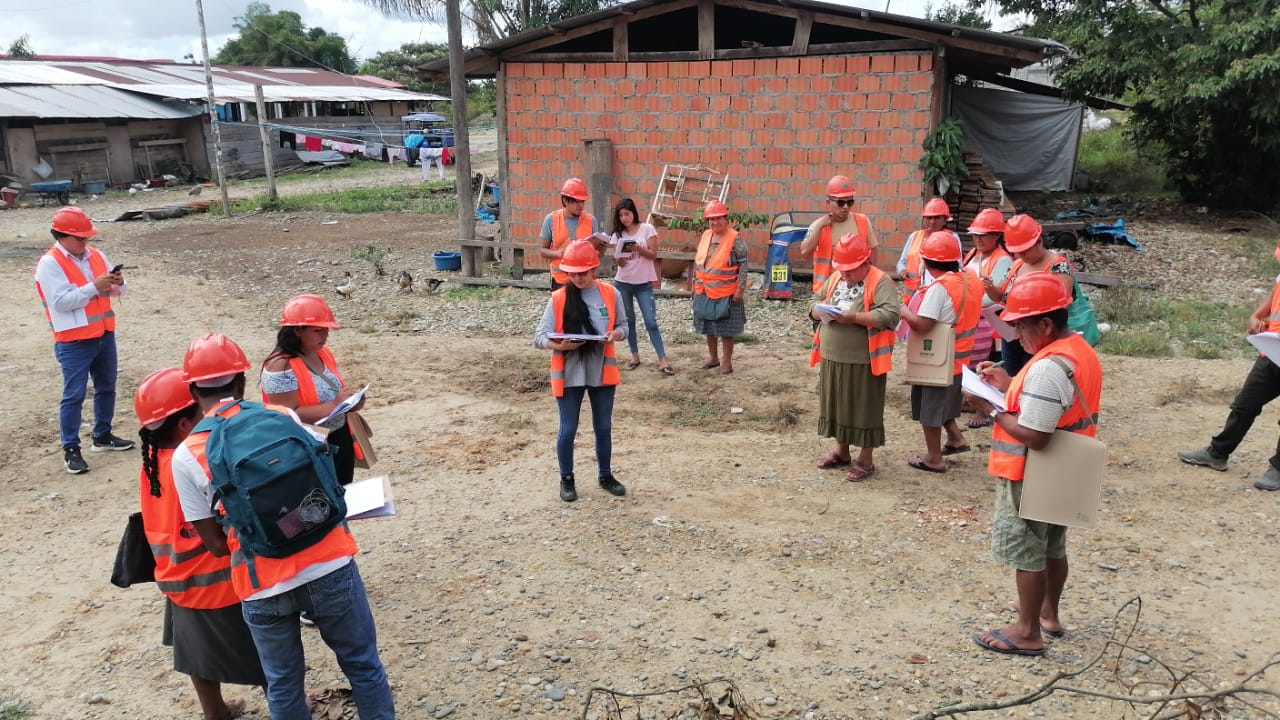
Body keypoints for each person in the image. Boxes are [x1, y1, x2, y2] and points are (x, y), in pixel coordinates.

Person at [172, 334, 395, 720]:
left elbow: (216, 545)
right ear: (242, 382)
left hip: (262, 581)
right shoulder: (281, 416)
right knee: (363, 666)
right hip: (329, 561)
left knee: (284, 684)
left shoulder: (184, 456)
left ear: (192, 390)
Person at [966, 272, 1103, 656]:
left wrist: (989, 408)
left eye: (1021, 325)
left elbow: (1035, 435)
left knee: (1028, 550)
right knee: (1054, 546)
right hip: (1066, 463)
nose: (1015, 333)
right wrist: (1009, 382)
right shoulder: (1077, 350)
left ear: (1045, 323)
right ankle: (1047, 614)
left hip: (1033, 469)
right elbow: (1054, 403)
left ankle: (1026, 631)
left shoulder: (1046, 366)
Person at [134, 367, 265, 720]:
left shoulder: (153, 461)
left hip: (177, 575)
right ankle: (290, 701)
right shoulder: (188, 463)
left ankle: (215, 711)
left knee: (196, 653)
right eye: (202, 413)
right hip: (218, 579)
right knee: (267, 649)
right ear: (183, 426)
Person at [34, 206, 135, 474]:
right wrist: (95, 286)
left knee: (106, 387)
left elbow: (118, 290)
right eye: (79, 238)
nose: (85, 242)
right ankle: (71, 449)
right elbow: (61, 302)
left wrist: (118, 282)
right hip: (73, 341)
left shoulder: (97, 256)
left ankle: (102, 436)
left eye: (87, 237)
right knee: (74, 395)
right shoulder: (50, 264)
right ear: (61, 236)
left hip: (103, 333)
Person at [1179, 240, 1280, 490]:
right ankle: (1218, 453)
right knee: (1245, 405)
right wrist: (1257, 315)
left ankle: (1278, 468)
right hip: (1272, 351)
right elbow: (1275, 293)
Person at [534, 241, 629, 502]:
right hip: (569, 372)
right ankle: (567, 479)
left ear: (594, 270)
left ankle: (605, 475)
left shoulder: (611, 294)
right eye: (572, 273)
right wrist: (559, 345)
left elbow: (624, 326)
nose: (577, 278)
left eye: (582, 273)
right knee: (568, 429)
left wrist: (615, 335)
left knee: (603, 427)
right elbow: (539, 337)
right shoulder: (559, 298)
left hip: (601, 371)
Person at [808, 234, 900, 481]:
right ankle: (841, 451)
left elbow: (890, 315)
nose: (845, 274)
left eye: (850, 270)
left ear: (865, 262)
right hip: (833, 356)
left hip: (864, 359)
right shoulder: (837, 277)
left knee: (863, 406)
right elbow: (816, 299)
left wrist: (854, 318)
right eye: (842, 269)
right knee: (837, 403)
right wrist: (816, 311)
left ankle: (865, 459)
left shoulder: (881, 281)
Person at [899, 231, 984, 473]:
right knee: (945, 402)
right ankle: (956, 438)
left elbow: (923, 325)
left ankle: (934, 458)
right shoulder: (971, 278)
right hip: (960, 356)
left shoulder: (940, 288)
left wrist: (904, 312)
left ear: (926, 263)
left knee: (931, 408)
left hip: (937, 358)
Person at [261, 294, 366, 485]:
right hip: (306, 449)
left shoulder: (322, 353)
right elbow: (286, 415)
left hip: (337, 439)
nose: (325, 336)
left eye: (326, 329)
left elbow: (334, 388)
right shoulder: (280, 366)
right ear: (297, 331)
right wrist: (335, 404)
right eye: (318, 330)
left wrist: (351, 402)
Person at [984, 214, 1079, 375]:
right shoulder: (1017, 265)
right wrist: (990, 288)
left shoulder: (1058, 266)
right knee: (1013, 378)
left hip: (1041, 336)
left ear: (1039, 242)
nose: (1021, 256)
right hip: (1014, 337)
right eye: (1017, 252)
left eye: (1025, 251)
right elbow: (1000, 296)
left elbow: (1061, 305)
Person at [610, 198, 674, 375]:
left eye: (627, 214)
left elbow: (653, 255)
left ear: (633, 213)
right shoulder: (617, 234)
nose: (624, 218)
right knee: (628, 321)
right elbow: (619, 262)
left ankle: (663, 359)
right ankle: (635, 356)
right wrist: (619, 259)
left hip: (643, 284)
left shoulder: (647, 229)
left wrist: (637, 248)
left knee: (650, 321)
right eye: (620, 215)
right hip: (623, 282)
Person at [962, 208, 1012, 429]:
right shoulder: (973, 254)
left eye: (983, 235)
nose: (978, 239)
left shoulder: (1002, 260)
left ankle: (983, 409)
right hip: (971, 317)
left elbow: (997, 295)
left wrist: (967, 302)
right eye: (975, 235)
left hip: (991, 321)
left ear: (996, 236)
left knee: (986, 366)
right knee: (971, 364)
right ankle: (970, 399)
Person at [691, 199, 749, 374]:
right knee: (708, 326)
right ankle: (713, 358)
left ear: (726, 218)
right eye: (711, 219)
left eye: (718, 218)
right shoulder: (706, 235)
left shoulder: (735, 239)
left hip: (727, 292)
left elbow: (744, 265)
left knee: (725, 330)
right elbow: (699, 262)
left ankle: (727, 362)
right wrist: (694, 284)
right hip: (704, 289)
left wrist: (740, 289)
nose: (715, 222)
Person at [799, 175, 877, 297]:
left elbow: (873, 252)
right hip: (827, 290)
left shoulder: (862, 221)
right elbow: (805, 253)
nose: (846, 207)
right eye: (841, 202)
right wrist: (819, 227)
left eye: (850, 202)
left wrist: (872, 280)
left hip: (857, 289)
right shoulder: (818, 226)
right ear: (828, 203)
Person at [537, 177, 602, 291]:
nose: (580, 205)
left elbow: (596, 255)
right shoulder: (551, 219)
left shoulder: (591, 220)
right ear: (565, 201)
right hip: (561, 281)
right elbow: (542, 250)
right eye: (576, 201)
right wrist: (558, 254)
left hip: (585, 282)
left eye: (582, 201)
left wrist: (601, 250)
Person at [897, 198, 961, 305]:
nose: (932, 221)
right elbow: (902, 261)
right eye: (929, 217)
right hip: (912, 294)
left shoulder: (951, 238)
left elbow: (957, 267)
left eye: (936, 218)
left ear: (945, 220)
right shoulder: (914, 236)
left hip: (939, 293)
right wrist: (902, 270)